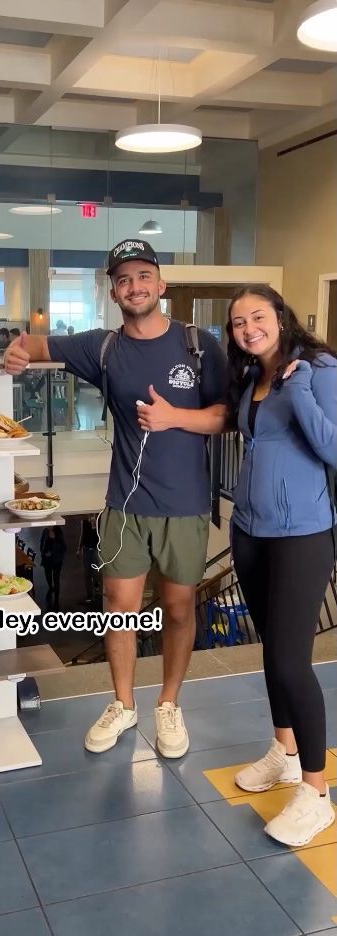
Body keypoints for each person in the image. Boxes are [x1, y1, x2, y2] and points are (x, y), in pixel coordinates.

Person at [4, 238, 228, 757]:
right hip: (124, 506)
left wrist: (175, 418)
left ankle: (168, 705)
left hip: (185, 506)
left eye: (143, 276)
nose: (135, 286)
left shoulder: (197, 344)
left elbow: (227, 415)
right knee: (119, 610)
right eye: (124, 279)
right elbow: (35, 345)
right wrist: (15, 352)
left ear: (161, 284)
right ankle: (124, 704)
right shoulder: (103, 347)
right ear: (113, 290)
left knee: (177, 610)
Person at [226, 284, 336, 847]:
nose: (249, 328)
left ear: (280, 316)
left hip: (302, 535)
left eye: (258, 316)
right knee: (271, 651)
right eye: (239, 322)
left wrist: (301, 395)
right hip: (249, 530)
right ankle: (285, 751)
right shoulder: (251, 378)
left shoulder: (318, 368)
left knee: (293, 661)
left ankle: (316, 794)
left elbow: (334, 447)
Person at [40, 527, 66, 610]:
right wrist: (43, 552)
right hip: (47, 559)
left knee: (56, 578)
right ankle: (50, 587)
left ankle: (56, 600)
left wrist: (51, 553)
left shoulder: (58, 532)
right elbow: (42, 542)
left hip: (56, 560)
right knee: (47, 575)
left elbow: (63, 547)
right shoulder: (45, 531)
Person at [77, 514, 100, 604]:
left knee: (95, 572)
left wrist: (95, 526)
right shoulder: (84, 522)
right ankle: (89, 595)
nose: (91, 516)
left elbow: (100, 536)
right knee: (87, 574)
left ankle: (97, 586)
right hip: (86, 550)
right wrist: (79, 548)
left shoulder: (99, 521)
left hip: (95, 550)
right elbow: (82, 535)